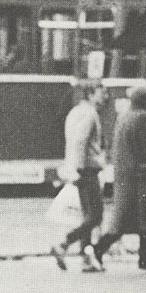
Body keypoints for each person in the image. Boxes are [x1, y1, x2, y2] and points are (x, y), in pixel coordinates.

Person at [92, 84, 146, 273]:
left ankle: (102, 249)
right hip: (139, 176)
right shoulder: (142, 118)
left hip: (124, 173)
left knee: (125, 219)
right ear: (145, 100)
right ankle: (140, 257)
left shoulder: (125, 117)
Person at [52, 82, 109, 272]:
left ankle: (86, 259)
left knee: (87, 215)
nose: (105, 97)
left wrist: (72, 168)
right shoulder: (90, 114)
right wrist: (80, 168)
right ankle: (63, 244)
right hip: (87, 170)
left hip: (79, 168)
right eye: (102, 93)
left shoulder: (75, 112)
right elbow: (80, 141)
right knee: (96, 216)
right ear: (91, 94)